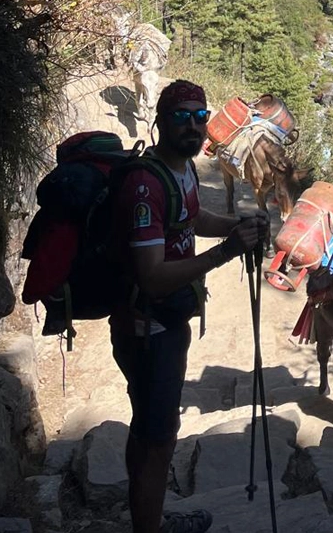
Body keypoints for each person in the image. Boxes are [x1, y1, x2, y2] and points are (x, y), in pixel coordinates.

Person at [111, 79, 267, 533]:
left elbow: (192, 217)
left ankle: (149, 517)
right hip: (148, 328)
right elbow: (152, 276)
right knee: (160, 439)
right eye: (182, 118)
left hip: (165, 322)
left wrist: (237, 225)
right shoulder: (146, 185)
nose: (194, 127)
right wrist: (226, 252)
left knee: (148, 429)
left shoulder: (182, 170)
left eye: (201, 118)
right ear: (160, 121)